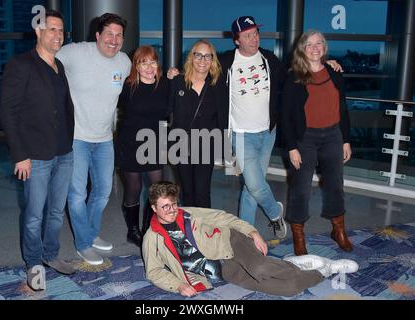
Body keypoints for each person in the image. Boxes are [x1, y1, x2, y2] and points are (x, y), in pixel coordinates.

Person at [217, 16, 342, 239]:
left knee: (250, 187)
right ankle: (275, 213)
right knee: (255, 184)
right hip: (241, 134)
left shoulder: (269, 59)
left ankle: (246, 234)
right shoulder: (226, 62)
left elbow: (299, 73)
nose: (254, 38)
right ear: (237, 40)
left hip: (268, 133)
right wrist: (173, 74)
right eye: (247, 35)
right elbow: (199, 70)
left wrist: (327, 64)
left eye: (255, 33)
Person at [142, 181, 358, 297]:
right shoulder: (152, 238)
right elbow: (154, 271)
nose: (172, 210)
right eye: (165, 206)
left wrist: (252, 232)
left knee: (261, 269)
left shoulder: (189, 213)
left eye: (174, 204)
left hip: (230, 242)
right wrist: (178, 285)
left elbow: (224, 218)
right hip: (222, 270)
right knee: (288, 289)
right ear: (154, 208)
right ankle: (323, 270)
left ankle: (287, 265)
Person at [0, 10, 76, 291]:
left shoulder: (60, 66)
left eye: (61, 31)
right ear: (38, 32)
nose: (58, 36)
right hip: (35, 155)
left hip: (64, 152)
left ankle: (51, 253)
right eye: (52, 29)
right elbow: (8, 112)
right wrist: (20, 155)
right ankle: (33, 263)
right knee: (34, 214)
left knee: (56, 211)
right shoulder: (21, 65)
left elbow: (64, 108)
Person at [56, 13, 131, 265]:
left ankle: (90, 232)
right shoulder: (75, 52)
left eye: (119, 35)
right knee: (77, 194)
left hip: (104, 139)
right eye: (109, 33)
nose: (114, 39)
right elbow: (44, 59)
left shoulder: (124, 62)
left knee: (102, 192)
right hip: (76, 137)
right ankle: (83, 244)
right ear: (97, 35)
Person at [281, 30, 353, 256]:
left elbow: (342, 107)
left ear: (325, 47)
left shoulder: (334, 71)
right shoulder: (294, 76)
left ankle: (338, 230)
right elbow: (285, 115)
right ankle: (299, 236)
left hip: (333, 135)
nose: (315, 48)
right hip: (305, 139)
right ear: (302, 48)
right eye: (310, 44)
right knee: (300, 188)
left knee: (335, 185)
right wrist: (292, 147)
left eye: (319, 43)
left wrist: (346, 140)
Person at [115, 46, 169, 247]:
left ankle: (149, 228)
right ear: (136, 66)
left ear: (158, 65)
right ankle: (133, 231)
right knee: (134, 186)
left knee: (157, 188)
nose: (148, 67)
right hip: (130, 142)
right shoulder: (127, 86)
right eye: (143, 62)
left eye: (152, 62)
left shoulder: (165, 85)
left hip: (156, 141)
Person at [168, 39, 224, 208]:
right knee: (187, 191)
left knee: (202, 190)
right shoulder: (177, 81)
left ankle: (203, 230)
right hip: (181, 144)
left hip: (207, 144)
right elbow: (164, 110)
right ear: (191, 57)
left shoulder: (218, 84)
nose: (202, 60)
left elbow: (223, 116)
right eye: (198, 55)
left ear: (212, 60)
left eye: (207, 56)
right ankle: (189, 228)